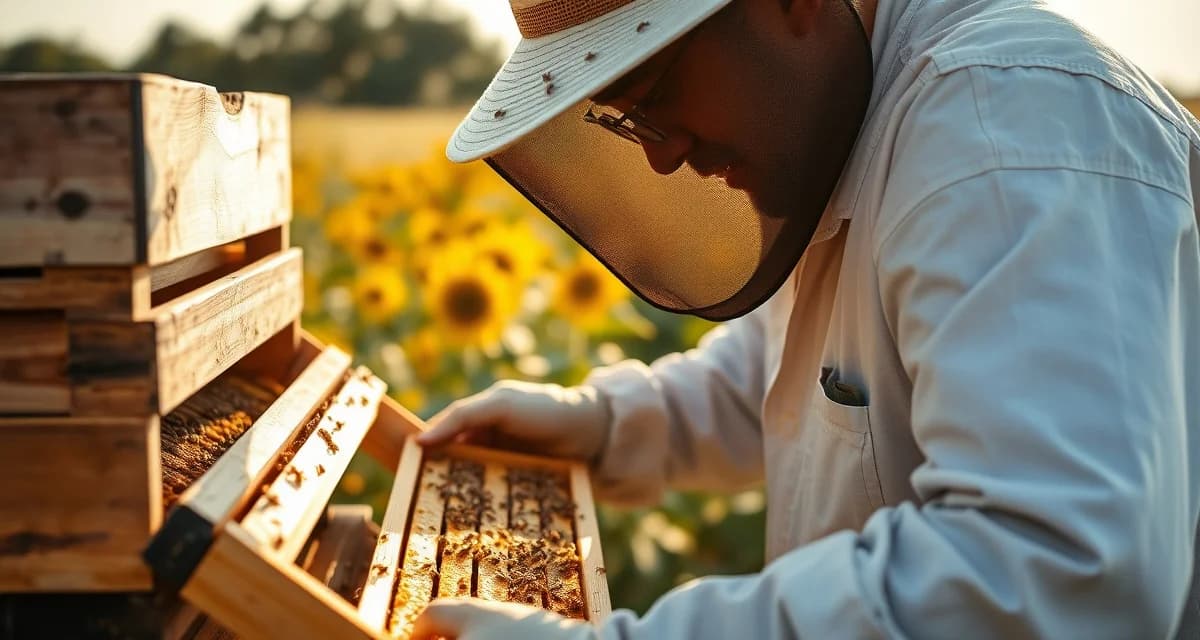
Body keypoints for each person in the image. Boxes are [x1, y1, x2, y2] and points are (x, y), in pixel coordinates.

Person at [413, 0, 1200, 637]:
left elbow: (1052, 573)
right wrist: (602, 423)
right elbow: (791, 372)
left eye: (656, 93)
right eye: (625, 118)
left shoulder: (1001, 122)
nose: (660, 156)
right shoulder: (853, 122)